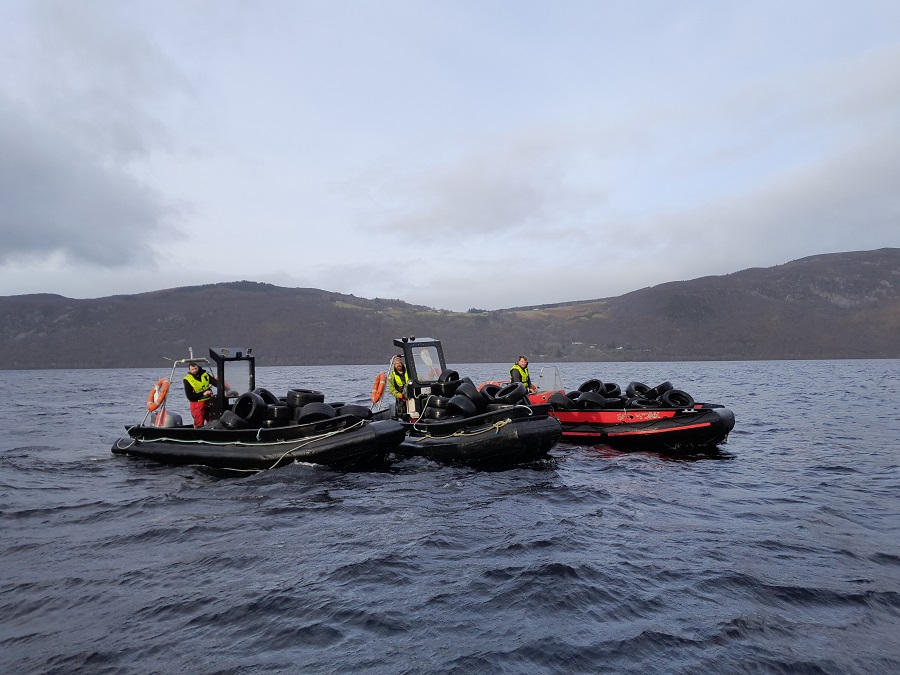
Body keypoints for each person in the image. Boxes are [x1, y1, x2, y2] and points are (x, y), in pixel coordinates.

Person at [183, 361, 218, 427]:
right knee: (199, 422)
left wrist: (225, 388)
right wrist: (203, 394)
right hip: (197, 403)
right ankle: (198, 433)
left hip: (209, 402)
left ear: (198, 368)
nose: (194, 370)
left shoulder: (205, 375)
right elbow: (190, 397)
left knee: (212, 420)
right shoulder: (187, 380)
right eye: (192, 369)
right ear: (189, 370)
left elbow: (216, 383)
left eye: (195, 368)